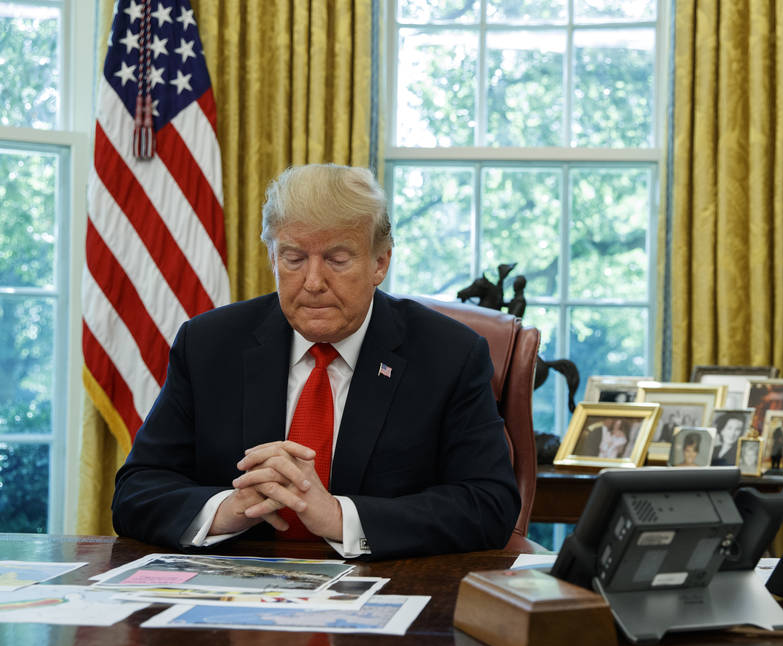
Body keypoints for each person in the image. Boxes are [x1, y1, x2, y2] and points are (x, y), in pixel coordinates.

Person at [111, 164, 520, 559]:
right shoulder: (209, 345)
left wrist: (340, 516)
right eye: (293, 258)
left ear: (380, 263)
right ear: (273, 257)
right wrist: (228, 509)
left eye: (337, 260)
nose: (312, 281)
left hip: (386, 598)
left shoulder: (448, 354)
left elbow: (490, 503)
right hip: (234, 598)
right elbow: (137, 490)